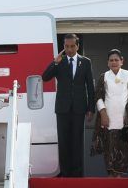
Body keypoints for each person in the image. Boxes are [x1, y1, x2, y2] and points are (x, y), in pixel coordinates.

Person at [41, 33, 96, 177]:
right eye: (66, 46)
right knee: (64, 142)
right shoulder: (60, 61)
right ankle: (65, 174)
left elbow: (90, 86)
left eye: (72, 46)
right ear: (63, 47)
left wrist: (91, 108)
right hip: (62, 109)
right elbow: (45, 77)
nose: (69, 49)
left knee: (77, 142)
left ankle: (77, 174)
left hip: (79, 109)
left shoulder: (85, 62)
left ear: (77, 46)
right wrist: (55, 62)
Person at [92, 49, 128, 177]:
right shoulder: (104, 76)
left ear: (122, 61)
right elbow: (97, 97)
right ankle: (111, 176)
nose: (114, 62)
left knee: (123, 149)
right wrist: (103, 114)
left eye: (116, 60)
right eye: (111, 60)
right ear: (107, 63)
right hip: (107, 119)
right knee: (109, 149)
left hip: (123, 119)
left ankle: (119, 177)